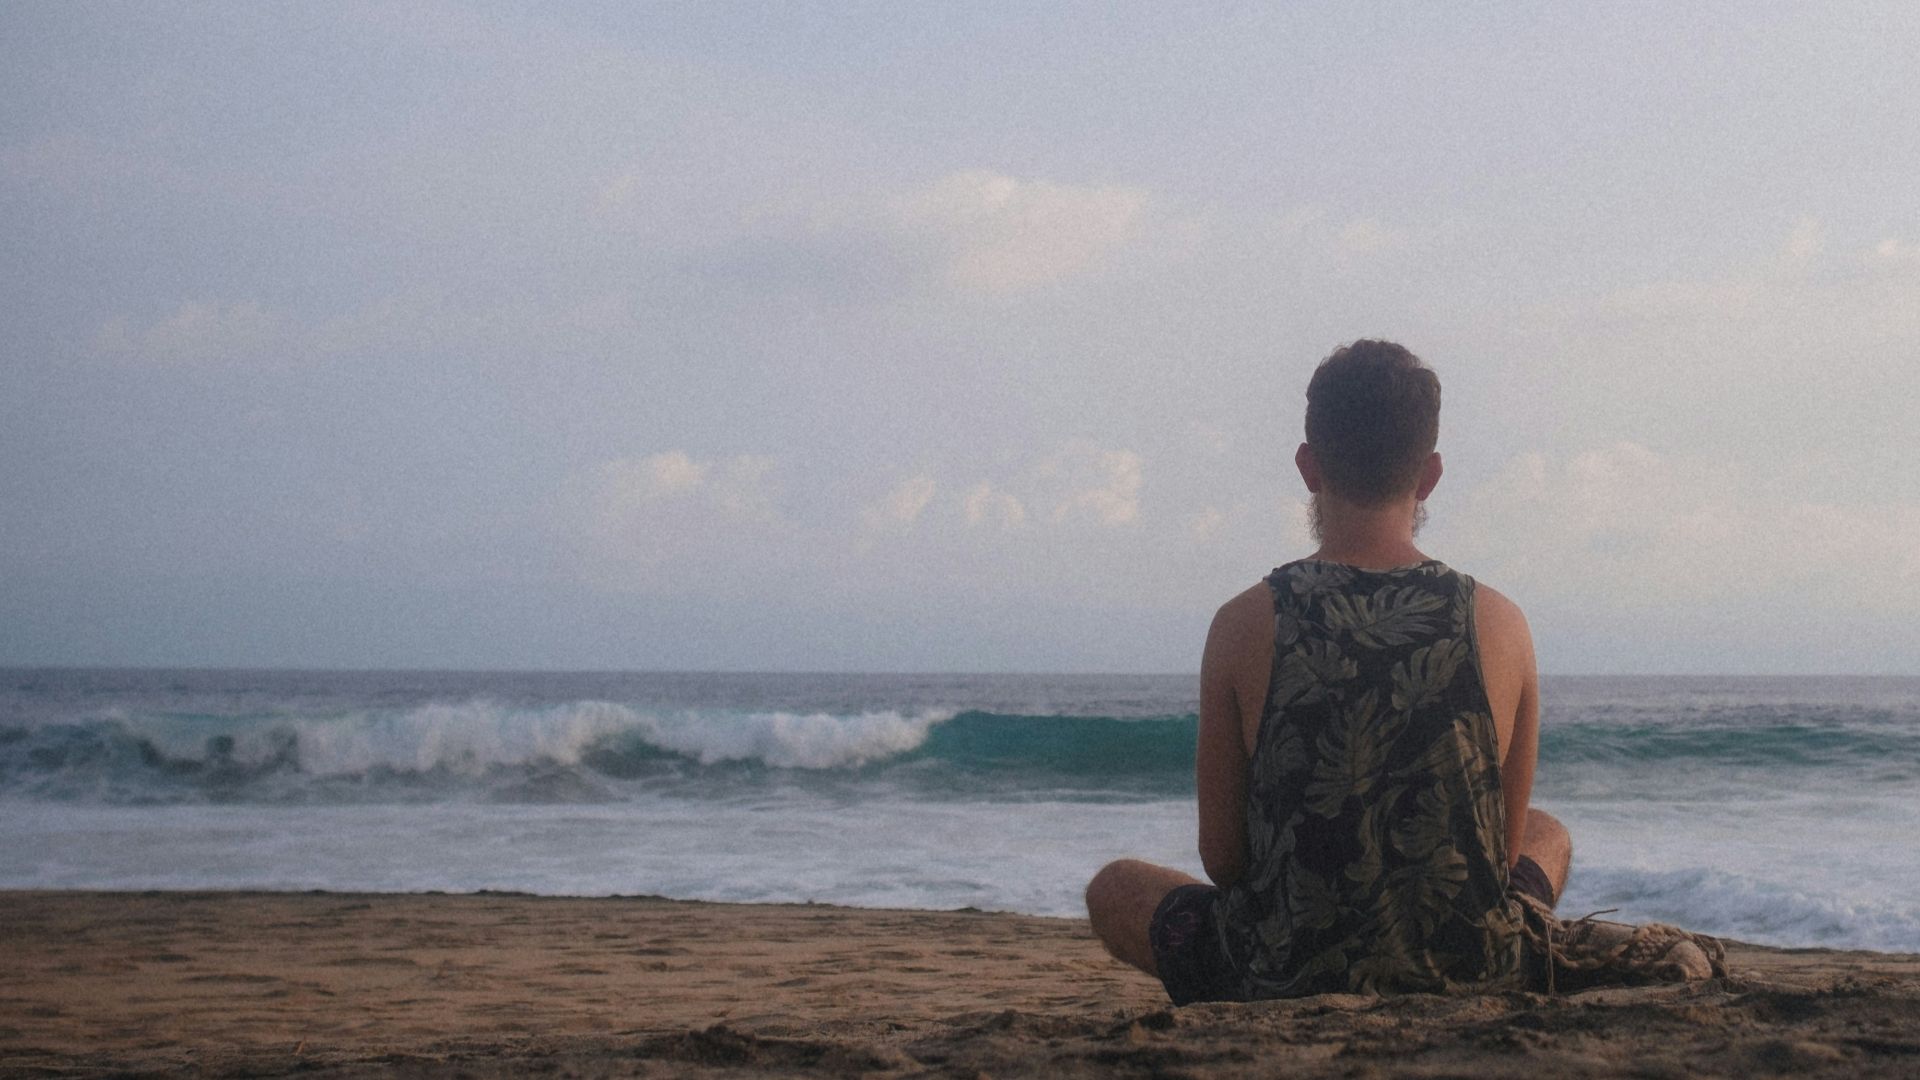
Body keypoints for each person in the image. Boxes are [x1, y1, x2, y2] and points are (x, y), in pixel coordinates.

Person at [1085, 339, 1571, 1003]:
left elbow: (1224, 860)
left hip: (1281, 972)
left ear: (1309, 467)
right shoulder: (1502, 623)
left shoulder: (1244, 623)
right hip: (1473, 971)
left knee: (1114, 887)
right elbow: (1501, 854)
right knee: (1548, 835)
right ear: (1429, 475)